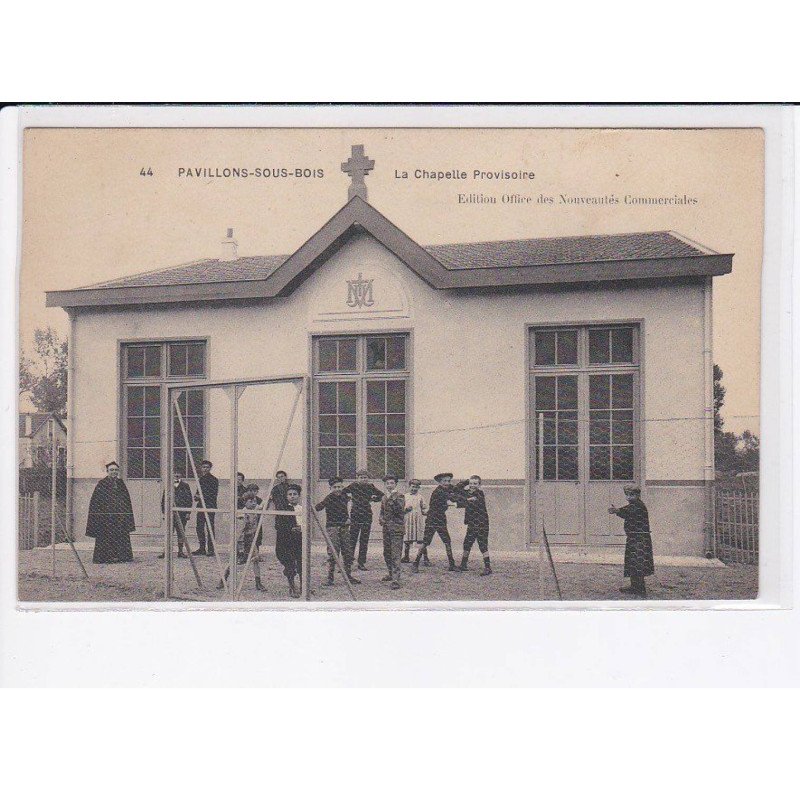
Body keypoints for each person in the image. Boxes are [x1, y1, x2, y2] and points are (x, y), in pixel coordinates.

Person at [609, 485, 654, 597]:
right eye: (627, 495)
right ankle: (634, 586)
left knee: (638, 562)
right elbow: (626, 512)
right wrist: (618, 511)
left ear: (638, 495)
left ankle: (640, 589)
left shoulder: (639, 505)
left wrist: (617, 510)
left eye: (631, 495)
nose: (628, 497)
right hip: (634, 537)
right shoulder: (633, 505)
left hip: (640, 538)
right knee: (632, 562)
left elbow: (630, 511)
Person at [86, 461, 135, 564]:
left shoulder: (121, 483)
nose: (114, 472)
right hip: (106, 517)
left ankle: (121, 556)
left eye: (116, 470)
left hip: (119, 516)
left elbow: (126, 500)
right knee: (106, 536)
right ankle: (105, 557)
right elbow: (96, 502)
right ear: (107, 471)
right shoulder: (102, 484)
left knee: (121, 535)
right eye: (111, 470)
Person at [218, 488, 266, 592]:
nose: (253, 503)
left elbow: (262, 505)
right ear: (245, 502)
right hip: (242, 540)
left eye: (254, 501)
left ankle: (258, 582)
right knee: (234, 561)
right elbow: (239, 530)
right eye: (250, 501)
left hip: (251, 539)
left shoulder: (255, 510)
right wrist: (239, 544)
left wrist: (269, 498)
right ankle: (223, 579)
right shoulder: (241, 514)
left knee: (255, 560)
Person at [315, 477, 360, 587]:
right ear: (330, 488)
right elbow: (318, 507)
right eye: (335, 487)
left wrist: (349, 518)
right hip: (333, 528)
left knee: (347, 552)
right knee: (333, 552)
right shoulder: (329, 498)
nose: (337, 489)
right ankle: (330, 577)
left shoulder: (345, 497)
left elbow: (350, 509)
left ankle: (348, 576)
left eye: (339, 487)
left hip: (344, 527)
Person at [412, 472, 459, 572]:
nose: (447, 483)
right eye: (444, 481)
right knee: (425, 542)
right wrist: (465, 499)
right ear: (439, 482)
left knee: (447, 541)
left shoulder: (446, 488)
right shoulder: (438, 492)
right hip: (432, 519)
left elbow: (455, 488)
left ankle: (452, 564)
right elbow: (452, 498)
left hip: (441, 518)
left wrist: (464, 483)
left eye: (448, 481)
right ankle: (415, 563)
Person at [343, 469, 384, 570]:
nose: (363, 479)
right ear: (357, 478)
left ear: (368, 478)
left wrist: (373, 499)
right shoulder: (353, 486)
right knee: (352, 539)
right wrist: (349, 498)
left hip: (367, 515)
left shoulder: (370, 487)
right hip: (355, 515)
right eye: (361, 477)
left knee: (364, 540)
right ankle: (348, 562)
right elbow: (343, 493)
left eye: (365, 477)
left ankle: (361, 562)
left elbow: (382, 495)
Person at [454, 475, 492, 575]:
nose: (472, 485)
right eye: (471, 483)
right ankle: (463, 564)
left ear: (479, 485)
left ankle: (488, 568)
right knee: (467, 543)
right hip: (472, 523)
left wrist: (457, 504)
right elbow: (457, 490)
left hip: (481, 524)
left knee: (482, 545)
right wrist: (466, 482)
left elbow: (469, 503)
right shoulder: (468, 493)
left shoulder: (480, 494)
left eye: (475, 483)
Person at [276, 483, 304, 598]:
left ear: (299, 496)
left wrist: (301, 528)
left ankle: (304, 586)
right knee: (290, 564)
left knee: (302, 563)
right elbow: (278, 525)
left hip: (300, 540)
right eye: (290, 494)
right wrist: (291, 528)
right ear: (287, 496)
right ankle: (292, 586)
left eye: (295, 494)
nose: (292, 496)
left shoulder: (302, 509)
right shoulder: (282, 510)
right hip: (286, 541)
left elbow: (307, 524)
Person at [379, 474, 406, 589]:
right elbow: (382, 510)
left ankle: (396, 579)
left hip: (396, 528)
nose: (389, 485)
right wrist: (380, 518)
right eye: (387, 483)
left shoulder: (400, 496)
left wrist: (393, 497)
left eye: (392, 483)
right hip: (386, 528)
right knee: (387, 552)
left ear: (395, 484)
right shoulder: (384, 497)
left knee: (396, 554)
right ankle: (390, 574)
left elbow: (399, 510)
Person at [159, 469, 193, 559]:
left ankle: (180, 551)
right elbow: (163, 500)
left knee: (181, 533)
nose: (177, 475)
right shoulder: (168, 485)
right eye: (175, 473)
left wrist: (188, 512)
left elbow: (189, 499)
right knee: (168, 533)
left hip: (182, 513)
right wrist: (163, 513)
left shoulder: (185, 486)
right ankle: (166, 552)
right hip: (170, 514)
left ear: (181, 474)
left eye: (178, 473)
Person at [193, 459, 219, 556]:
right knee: (199, 527)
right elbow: (198, 492)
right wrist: (196, 496)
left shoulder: (214, 480)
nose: (205, 469)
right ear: (201, 468)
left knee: (209, 528)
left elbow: (213, 494)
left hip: (210, 506)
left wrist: (201, 496)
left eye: (207, 467)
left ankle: (211, 549)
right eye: (204, 467)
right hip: (200, 506)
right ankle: (202, 548)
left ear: (210, 468)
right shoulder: (201, 479)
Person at [402, 478, 427, 563]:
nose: (414, 489)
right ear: (409, 486)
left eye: (416, 487)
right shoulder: (405, 496)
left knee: (420, 538)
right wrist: (405, 509)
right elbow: (401, 508)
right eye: (412, 487)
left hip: (418, 519)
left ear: (418, 488)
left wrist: (425, 512)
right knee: (407, 538)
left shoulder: (420, 497)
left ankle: (425, 558)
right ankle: (406, 556)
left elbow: (424, 508)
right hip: (408, 519)